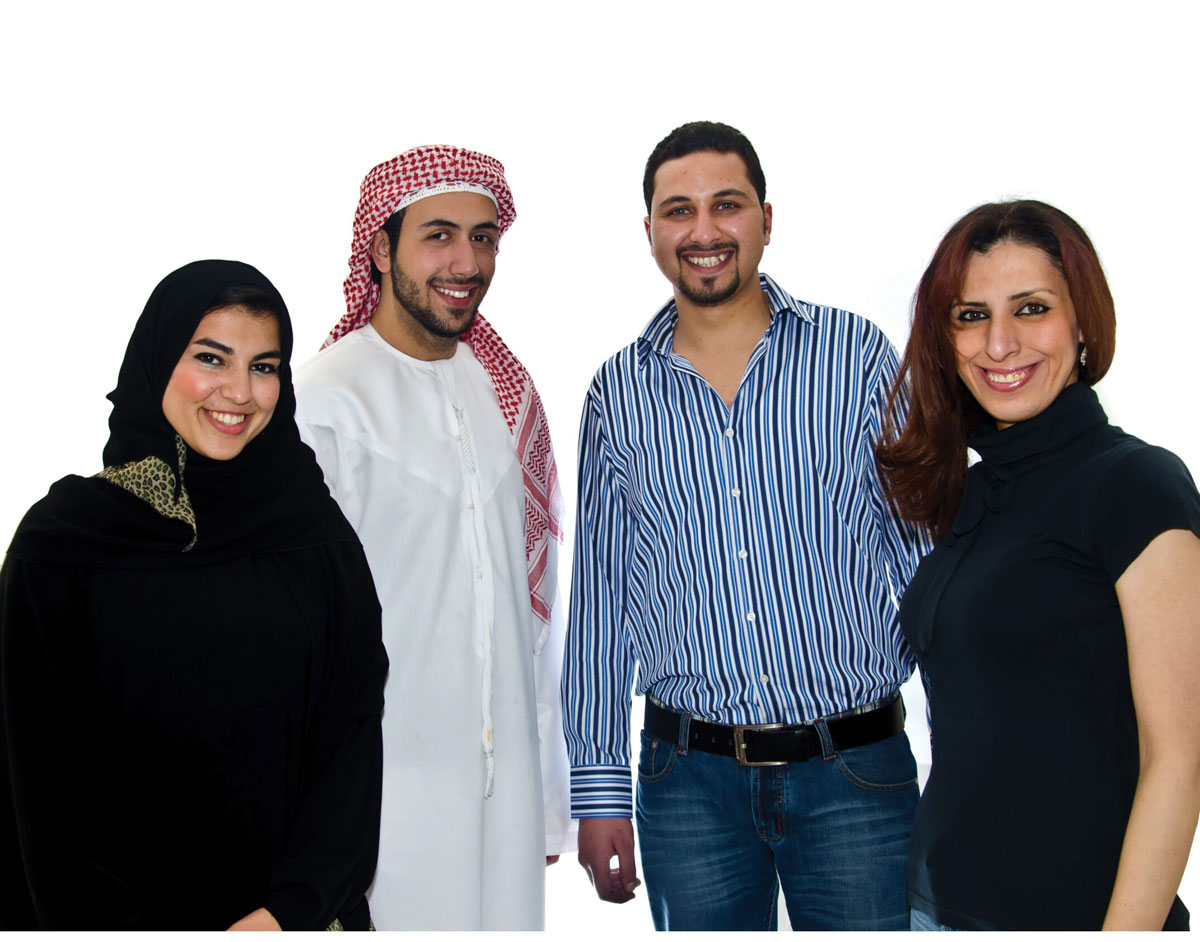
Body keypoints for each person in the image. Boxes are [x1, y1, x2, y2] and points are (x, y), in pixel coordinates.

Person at [562, 120, 929, 931]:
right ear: (651, 231)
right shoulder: (617, 395)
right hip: (686, 788)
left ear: (766, 217)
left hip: (857, 774)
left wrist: (973, 747)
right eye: (678, 210)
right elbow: (600, 602)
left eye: (726, 205)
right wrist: (598, 791)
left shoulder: (856, 356)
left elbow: (924, 556)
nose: (704, 232)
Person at [0, 260, 388, 930]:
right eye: (212, 358)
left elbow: (351, 744)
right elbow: (35, 777)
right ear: (156, 360)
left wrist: (286, 912)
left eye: (264, 367)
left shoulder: (314, 538)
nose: (240, 392)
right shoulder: (64, 545)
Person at [875, 199, 1200, 930]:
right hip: (936, 909)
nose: (999, 343)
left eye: (1031, 309)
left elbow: (1180, 762)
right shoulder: (969, 493)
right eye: (970, 316)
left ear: (1082, 321)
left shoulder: (1137, 484)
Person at [293, 145, 574, 930]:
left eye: (484, 237)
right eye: (439, 235)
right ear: (379, 251)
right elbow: (295, 639)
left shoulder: (504, 394)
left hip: (504, 793)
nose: (467, 260)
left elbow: (534, 614)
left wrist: (548, 799)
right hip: (379, 796)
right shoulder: (324, 404)